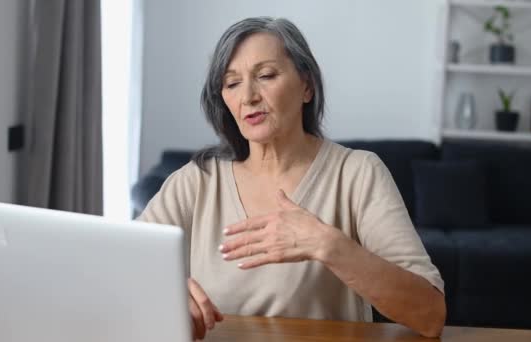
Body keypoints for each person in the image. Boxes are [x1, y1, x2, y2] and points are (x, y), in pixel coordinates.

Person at [137, 16, 446, 340]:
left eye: (266, 75)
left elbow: (429, 315)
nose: (249, 96)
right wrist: (167, 292)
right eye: (231, 83)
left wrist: (329, 246)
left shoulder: (358, 173)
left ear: (307, 86)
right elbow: (123, 267)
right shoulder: (195, 183)